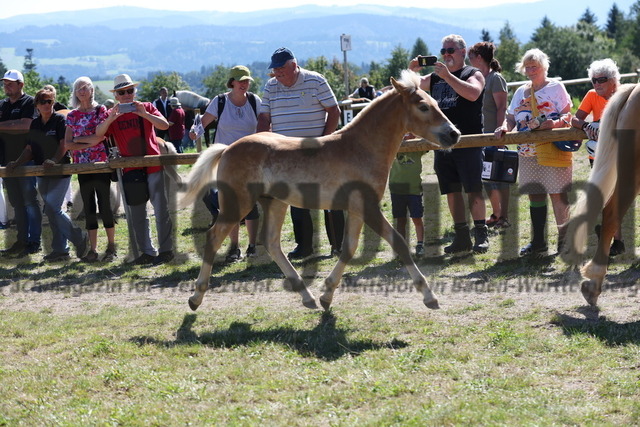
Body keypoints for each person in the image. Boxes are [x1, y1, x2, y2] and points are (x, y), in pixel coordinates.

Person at [257, 47, 343, 259]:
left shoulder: (315, 81)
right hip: (286, 155)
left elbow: (334, 111)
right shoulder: (270, 86)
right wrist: (261, 143)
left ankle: (338, 245)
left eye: (280, 69)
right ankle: (304, 246)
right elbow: (264, 118)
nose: (277, 73)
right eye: (274, 69)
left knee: (331, 198)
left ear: (294, 66)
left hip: (318, 151)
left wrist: (324, 141)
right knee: (296, 200)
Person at [408, 34, 488, 254]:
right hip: (443, 143)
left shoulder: (473, 73)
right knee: (451, 191)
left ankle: (481, 234)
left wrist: (448, 77)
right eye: (443, 51)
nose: (446, 55)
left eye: (450, 50)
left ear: (463, 52)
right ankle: (462, 237)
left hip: (469, 140)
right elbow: (411, 89)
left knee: (473, 188)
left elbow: (473, 94)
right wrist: (412, 70)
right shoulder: (435, 77)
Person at [495, 48, 573, 256]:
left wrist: (553, 124)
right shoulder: (520, 91)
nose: (530, 71)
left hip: (553, 150)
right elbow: (511, 117)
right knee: (535, 196)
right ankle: (538, 242)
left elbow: (568, 116)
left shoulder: (556, 88)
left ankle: (565, 242)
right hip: (527, 152)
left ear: (544, 67)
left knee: (558, 195)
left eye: (534, 67)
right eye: (527, 67)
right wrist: (504, 127)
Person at [95, 74, 174, 265]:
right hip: (130, 170)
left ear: (134, 91)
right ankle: (146, 252)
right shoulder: (111, 113)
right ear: (116, 96)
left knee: (161, 210)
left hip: (153, 164)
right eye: (122, 92)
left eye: (130, 90)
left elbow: (164, 125)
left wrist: (143, 114)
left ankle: (166, 251)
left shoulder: (146, 106)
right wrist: (111, 118)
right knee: (137, 213)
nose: (127, 95)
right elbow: (99, 134)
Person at [7, 87, 89, 262]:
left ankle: (79, 237)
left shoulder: (60, 120)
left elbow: (63, 145)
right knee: (51, 211)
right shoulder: (35, 124)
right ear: (37, 105)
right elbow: (29, 149)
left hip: (61, 171)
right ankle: (60, 250)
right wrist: (17, 162)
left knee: (52, 207)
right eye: (43, 101)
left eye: (50, 101)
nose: (47, 105)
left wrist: (53, 160)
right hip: (42, 173)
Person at [189, 65, 261, 261]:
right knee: (229, 205)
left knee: (251, 205)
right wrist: (194, 132)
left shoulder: (255, 101)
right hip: (225, 162)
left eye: (247, 81)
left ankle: (253, 246)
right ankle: (234, 247)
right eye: (241, 81)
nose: (244, 84)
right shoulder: (220, 101)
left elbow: (265, 125)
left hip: (250, 161)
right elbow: (202, 123)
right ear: (232, 82)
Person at [571, 58, 624, 256]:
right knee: (606, 196)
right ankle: (615, 242)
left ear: (613, 80)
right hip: (600, 156)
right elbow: (575, 119)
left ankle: (613, 238)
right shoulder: (592, 95)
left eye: (601, 79)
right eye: (593, 80)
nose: (596, 84)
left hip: (624, 154)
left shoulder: (624, 95)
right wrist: (586, 126)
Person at [65, 76, 117, 262]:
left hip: (100, 164)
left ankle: (111, 246)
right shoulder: (72, 115)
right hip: (81, 166)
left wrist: (80, 139)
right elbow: (68, 144)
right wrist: (86, 140)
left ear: (92, 90)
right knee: (89, 207)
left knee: (104, 205)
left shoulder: (100, 110)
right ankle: (93, 250)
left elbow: (101, 137)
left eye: (84, 87)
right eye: (78, 88)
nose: (81, 91)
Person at [468, 41, 510, 230]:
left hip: (493, 136)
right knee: (486, 179)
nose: (469, 60)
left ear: (479, 58)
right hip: (480, 137)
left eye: (471, 56)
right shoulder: (477, 79)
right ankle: (496, 214)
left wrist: (500, 129)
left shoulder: (495, 78)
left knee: (498, 179)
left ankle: (503, 216)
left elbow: (502, 106)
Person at [0, 69, 42, 257]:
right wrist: (12, 126)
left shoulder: (29, 102)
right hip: (6, 161)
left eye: (11, 83)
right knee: (17, 203)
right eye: (5, 83)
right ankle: (22, 240)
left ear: (21, 85)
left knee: (30, 202)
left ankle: (34, 242)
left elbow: (26, 125)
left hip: (26, 159)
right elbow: (16, 126)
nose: (6, 86)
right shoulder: (2, 105)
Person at [389, 136, 426, 257]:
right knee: (400, 220)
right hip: (397, 190)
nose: (406, 134)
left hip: (414, 190)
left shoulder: (417, 146)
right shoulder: (393, 144)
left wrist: (415, 137)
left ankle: (420, 244)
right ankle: (401, 247)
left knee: (417, 218)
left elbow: (428, 141)